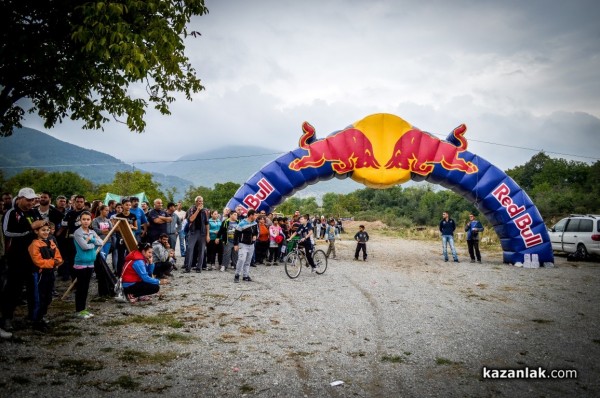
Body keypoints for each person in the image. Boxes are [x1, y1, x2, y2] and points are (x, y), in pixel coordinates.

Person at [1, 187, 43, 333]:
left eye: (32, 200)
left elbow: (41, 225)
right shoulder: (11, 213)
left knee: (34, 288)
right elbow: (7, 232)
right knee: (13, 289)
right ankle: (6, 317)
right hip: (17, 257)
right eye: (28, 199)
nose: (31, 202)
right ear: (20, 199)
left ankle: (34, 316)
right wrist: (29, 230)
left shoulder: (33, 211)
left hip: (33, 256)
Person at [28, 220, 63, 332]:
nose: (46, 232)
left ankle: (42, 316)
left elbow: (58, 256)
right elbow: (38, 261)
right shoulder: (34, 245)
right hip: (40, 274)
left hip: (50, 273)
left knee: (48, 297)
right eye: (43, 230)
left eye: (47, 230)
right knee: (40, 297)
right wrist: (53, 263)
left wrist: (57, 261)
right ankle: (36, 321)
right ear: (36, 231)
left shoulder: (50, 242)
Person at [72, 211, 103, 319]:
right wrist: (93, 244)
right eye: (83, 219)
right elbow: (84, 246)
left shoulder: (92, 232)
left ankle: (83, 309)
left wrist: (91, 240)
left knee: (86, 287)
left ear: (91, 221)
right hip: (81, 263)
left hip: (90, 262)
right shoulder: (78, 232)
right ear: (80, 220)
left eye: (88, 219)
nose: (85, 221)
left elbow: (101, 242)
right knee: (80, 287)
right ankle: (79, 310)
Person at [185, 196, 210, 273]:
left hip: (202, 232)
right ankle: (188, 267)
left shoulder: (205, 211)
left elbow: (207, 223)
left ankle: (199, 268)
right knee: (190, 249)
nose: (201, 203)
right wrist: (198, 210)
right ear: (196, 202)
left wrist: (207, 235)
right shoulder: (191, 209)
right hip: (193, 232)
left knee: (202, 250)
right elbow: (191, 219)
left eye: (202, 201)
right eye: (199, 201)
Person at [233, 209, 258, 282]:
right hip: (243, 244)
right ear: (251, 215)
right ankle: (237, 275)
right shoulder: (242, 223)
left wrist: (255, 236)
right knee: (241, 259)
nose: (256, 216)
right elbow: (236, 234)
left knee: (248, 261)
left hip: (251, 245)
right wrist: (235, 244)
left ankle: (245, 275)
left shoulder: (255, 223)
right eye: (255, 215)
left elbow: (256, 232)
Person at [114, 198, 138, 276]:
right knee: (120, 256)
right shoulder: (118, 216)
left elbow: (136, 227)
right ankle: (119, 273)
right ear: (122, 206)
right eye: (126, 205)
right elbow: (115, 228)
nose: (128, 206)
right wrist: (124, 227)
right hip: (121, 238)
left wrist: (131, 227)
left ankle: (129, 271)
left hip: (130, 237)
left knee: (130, 256)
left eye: (129, 205)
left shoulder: (133, 216)